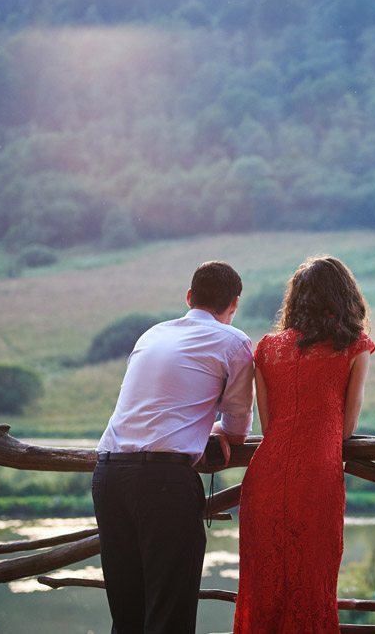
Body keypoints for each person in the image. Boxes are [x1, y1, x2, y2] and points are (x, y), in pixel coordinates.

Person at [93, 260, 254, 634]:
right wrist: (212, 429)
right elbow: (238, 429)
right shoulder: (234, 342)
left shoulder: (151, 335)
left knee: (127, 615)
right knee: (169, 616)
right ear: (234, 304)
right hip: (163, 482)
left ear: (188, 297)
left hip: (107, 473)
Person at [233, 256, 375, 634]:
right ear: (345, 296)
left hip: (265, 477)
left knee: (263, 586)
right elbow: (346, 429)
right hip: (317, 477)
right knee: (312, 585)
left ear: (296, 299)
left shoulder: (267, 348)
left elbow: (268, 425)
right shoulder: (355, 346)